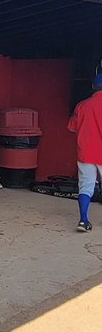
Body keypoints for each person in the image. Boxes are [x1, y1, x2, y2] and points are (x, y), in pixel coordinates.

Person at [67, 71, 102, 232]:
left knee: (85, 187)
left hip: (86, 153)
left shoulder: (82, 105)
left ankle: (83, 220)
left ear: (93, 86)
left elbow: (71, 127)